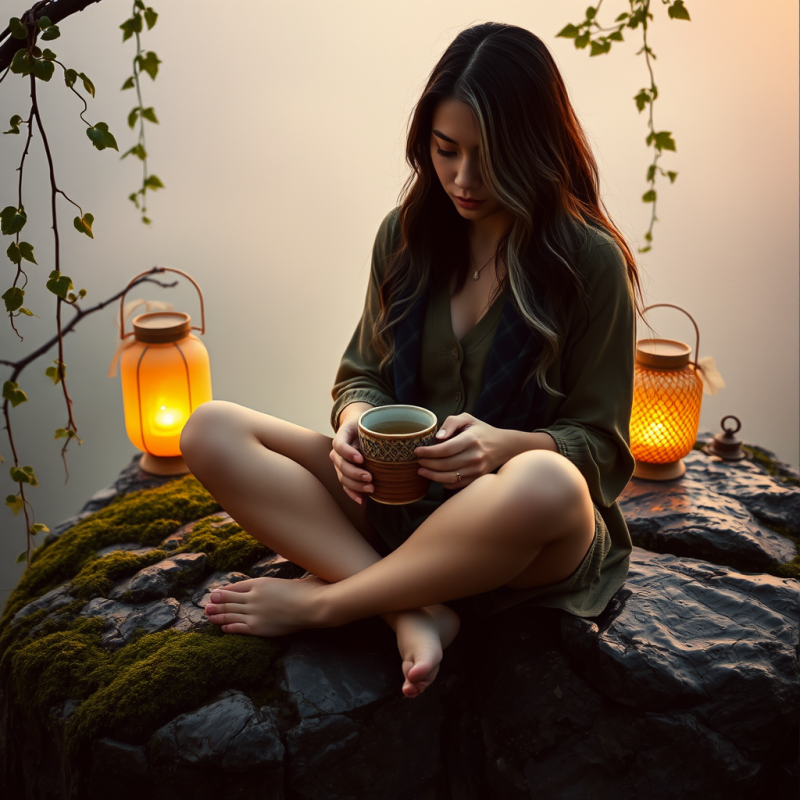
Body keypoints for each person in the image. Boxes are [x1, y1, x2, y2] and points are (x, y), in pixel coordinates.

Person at [180, 21, 641, 699]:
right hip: (398, 504)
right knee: (209, 429)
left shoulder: (587, 261)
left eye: (488, 157)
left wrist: (499, 449)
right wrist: (354, 423)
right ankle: (410, 609)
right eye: (445, 149)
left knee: (547, 480)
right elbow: (360, 373)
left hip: (517, 537)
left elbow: (602, 450)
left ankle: (330, 602)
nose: (463, 177)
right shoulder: (404, 236)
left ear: (534, 147)